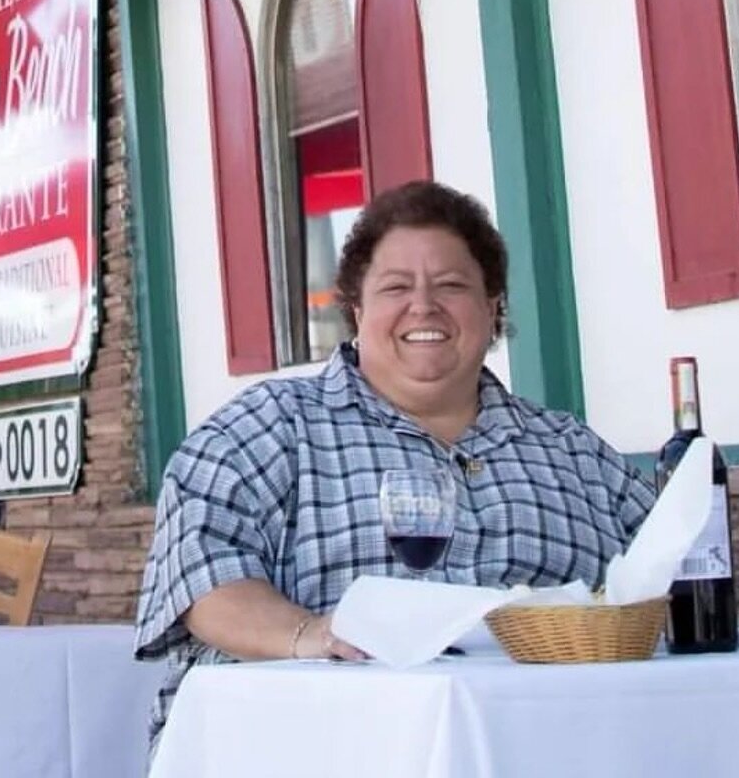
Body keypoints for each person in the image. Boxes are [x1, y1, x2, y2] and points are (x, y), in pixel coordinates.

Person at [134, 180, 654, 744]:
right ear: (357, 309)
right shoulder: (266, 427)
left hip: (539, 750)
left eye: (452, 285)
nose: (423, 305)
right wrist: (311, 634)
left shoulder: (573, 453)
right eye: (395, 287)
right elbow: (201, 581)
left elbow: (669, 578)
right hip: (313, 748)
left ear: (492, 306)